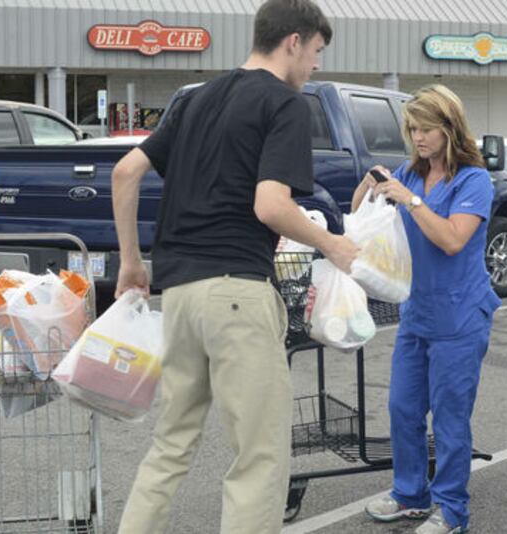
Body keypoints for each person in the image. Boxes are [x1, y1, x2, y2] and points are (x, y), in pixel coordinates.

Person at [110, 1, 358, 532]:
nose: (316, 65)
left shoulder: (196, 99)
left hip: (179, 296)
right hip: (238, 294)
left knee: (171, 444)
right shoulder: (285, 104)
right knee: (259, 457)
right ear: (293, 41)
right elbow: (271, 206)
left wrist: (132, 262)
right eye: (316, 52)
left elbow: (125, 172)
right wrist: (332, 244)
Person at [358, 85, 501, 534]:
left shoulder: (473, 180)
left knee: (450, 419)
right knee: (403, 408)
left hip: (460, 316)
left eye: (426, 129)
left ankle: (452, 510)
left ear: (450, 128)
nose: (417, 138)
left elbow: (453, 239)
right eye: (412, 129)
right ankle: (410, 495)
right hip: (417, 313)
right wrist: (368, 185)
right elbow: (360, 216)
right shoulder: (409, 172)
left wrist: (411, 200)